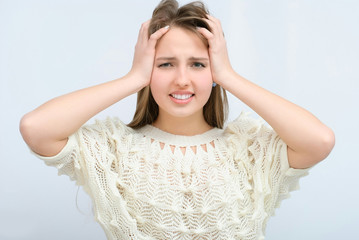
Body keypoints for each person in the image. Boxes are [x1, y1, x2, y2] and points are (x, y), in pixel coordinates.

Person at [20, 0, 335, 239]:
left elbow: (319, 141)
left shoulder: (250, 151)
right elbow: (36, 128)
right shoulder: (111, 150)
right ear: (148, 69)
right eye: (166, 64)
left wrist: (227, 75)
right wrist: (134, 77)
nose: (182, 79)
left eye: (198, 64)